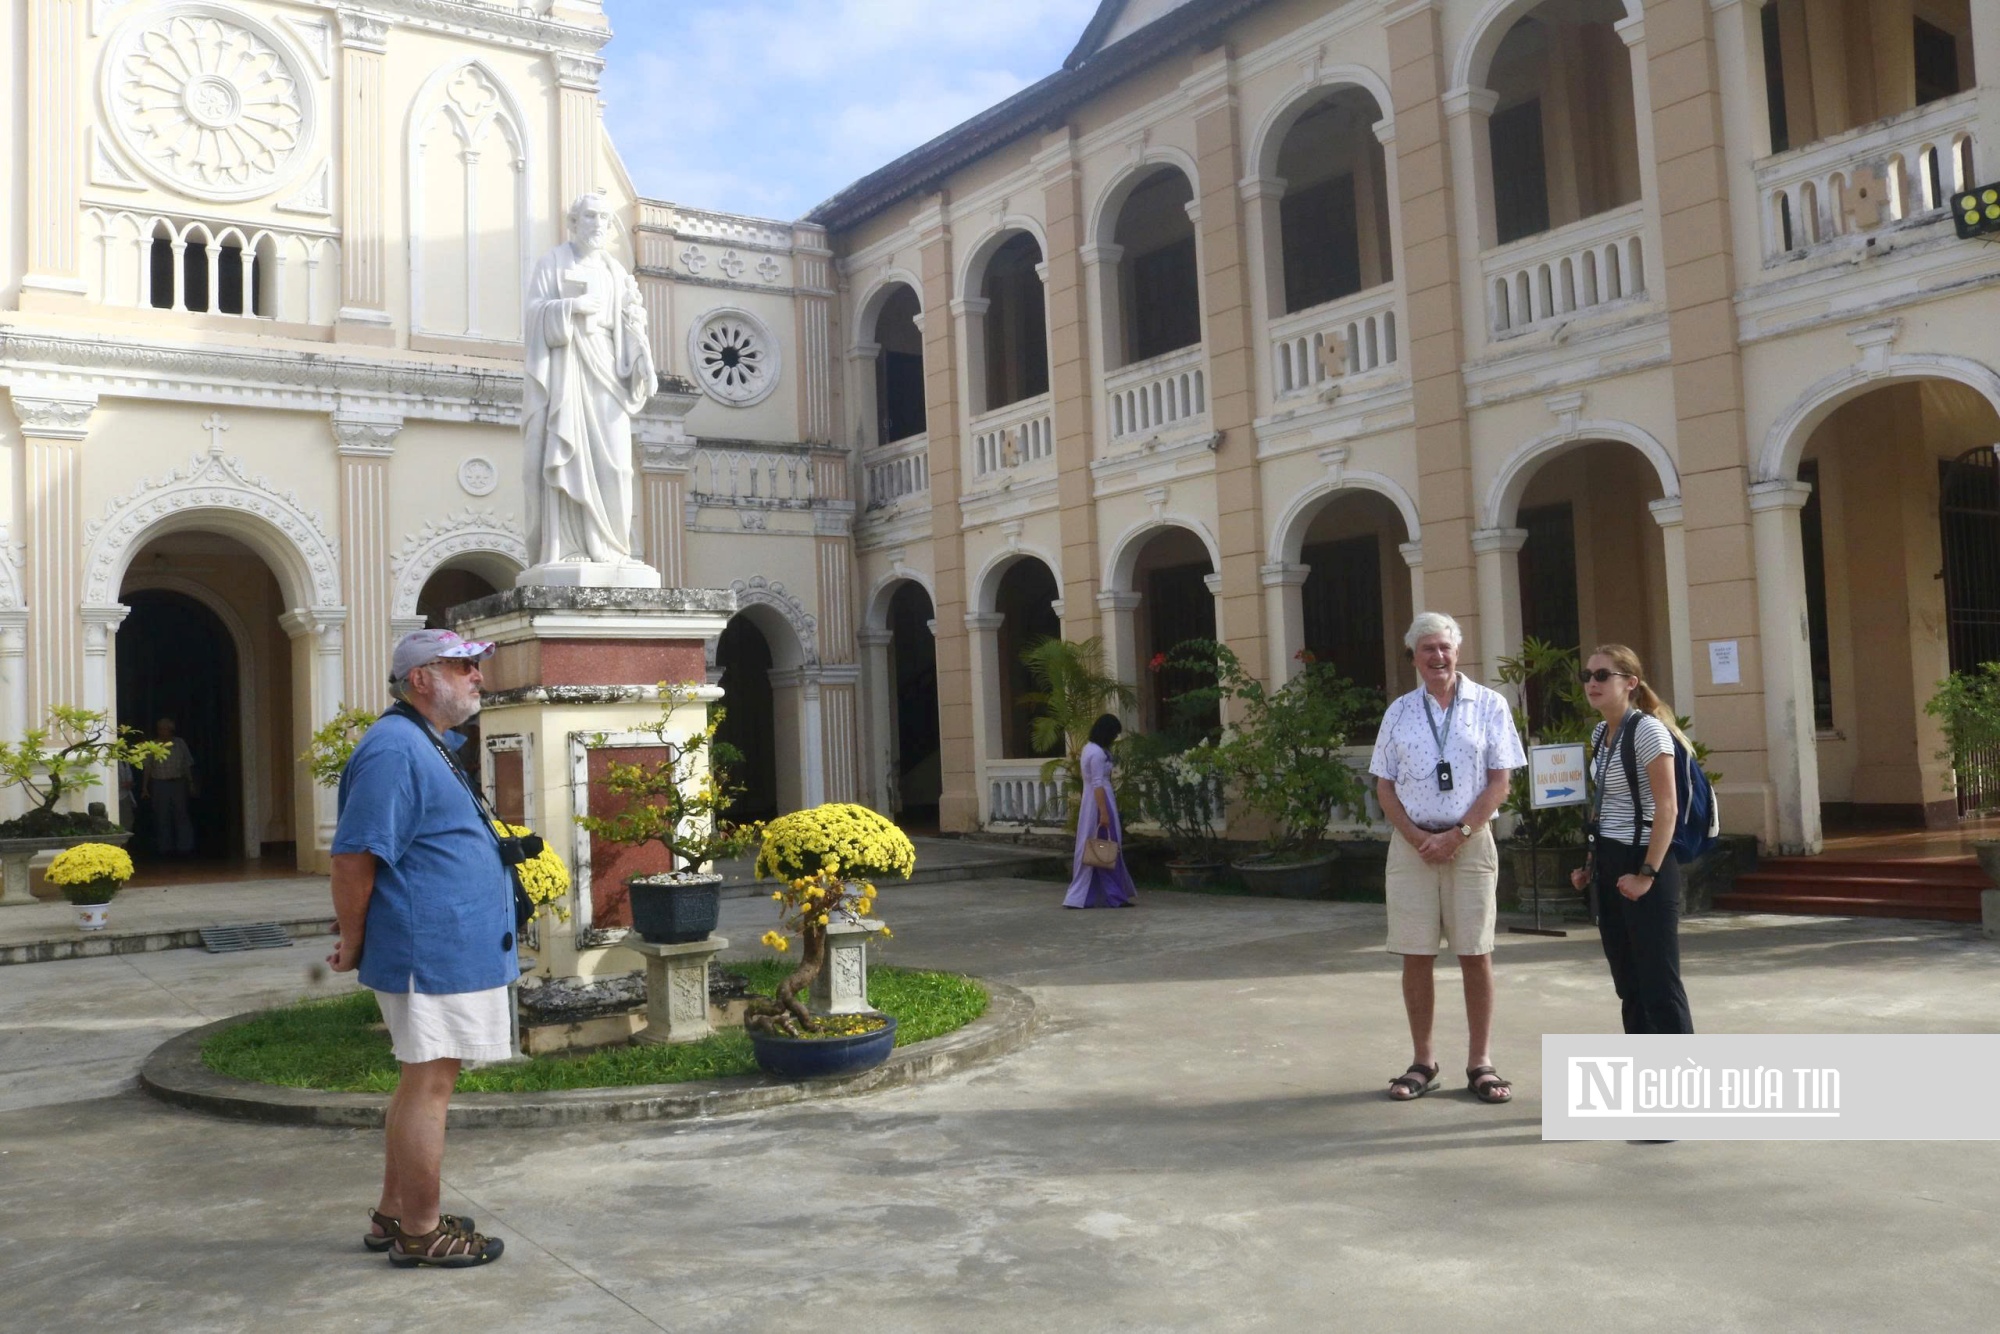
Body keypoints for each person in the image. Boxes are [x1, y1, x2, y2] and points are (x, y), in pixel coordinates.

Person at [329, 628, 513, 1268]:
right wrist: (352, 939)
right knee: (431, 1084)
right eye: (463, 666)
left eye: (475, 667)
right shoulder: (394, 748)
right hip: (427, 948)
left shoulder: (422, 743)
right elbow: (353, 857)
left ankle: (393, 1214)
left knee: (421, 1081)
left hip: (446, 944)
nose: (476, 677)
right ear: (420, 679)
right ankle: (422, 1231)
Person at [1368, 612, 1526, 1104]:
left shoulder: (1489, 705)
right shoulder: (1399, 711)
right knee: (1416, 955)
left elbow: (1500, 780)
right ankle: (1423, 1061)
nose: (1437, 657)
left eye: (1445, 648)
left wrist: (1458, 834)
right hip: (1413, 847)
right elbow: (1384, 785)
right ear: (1414, 657)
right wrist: (1417, 837)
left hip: (1470, 844)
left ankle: (1480, 1062)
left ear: (1457, 651)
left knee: (1475, 953)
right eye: (1427, 649)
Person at [522, 192, 657, 571]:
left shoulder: (617, 272)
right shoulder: (552, 263)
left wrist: (642, 358)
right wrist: (569, 309)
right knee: (571, 453)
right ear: (574, 222)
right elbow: (533, 315)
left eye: (604, 218)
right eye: (591, 216)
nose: (599, 223)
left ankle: (614, 547)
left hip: (609, 371)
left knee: (616, 465)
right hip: (568, 370)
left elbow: (632, 322)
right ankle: (570, 545)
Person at [1568, 644, 1695, 1035]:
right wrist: (1592, 864)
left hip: (1646, 860)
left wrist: (1647, 874)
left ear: (1630, 683)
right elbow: (1605, 803)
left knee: (1659, 984)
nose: (1592, 683)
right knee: (1629, 984)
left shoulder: (1647, 732)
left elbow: (1667, 808)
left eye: (1603, 675)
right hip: (1609, 861)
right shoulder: (1601, 731)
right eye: (1587, 675)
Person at [1064, 713, 1137, 909]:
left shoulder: (1090, 748)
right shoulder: (1096, 753)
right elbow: (1097, 783)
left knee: (1099, 847)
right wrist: (1103, 813)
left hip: (1097, 800)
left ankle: (1097, 895)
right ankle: (1113, 895)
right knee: (1108, 846)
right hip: (1100, 801)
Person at [141, 718, 196, 856]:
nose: (162, 731)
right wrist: (144, 787)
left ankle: (185, 848)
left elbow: (187, 764)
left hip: (178, 783)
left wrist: (191, 783)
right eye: (160, 728)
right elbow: (147, 767)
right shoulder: (153, 745)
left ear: (171, 730)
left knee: (181, 814)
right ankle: (164, 848)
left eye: (165, 728)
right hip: (160, 784)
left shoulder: (180, 743)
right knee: (161, 816)